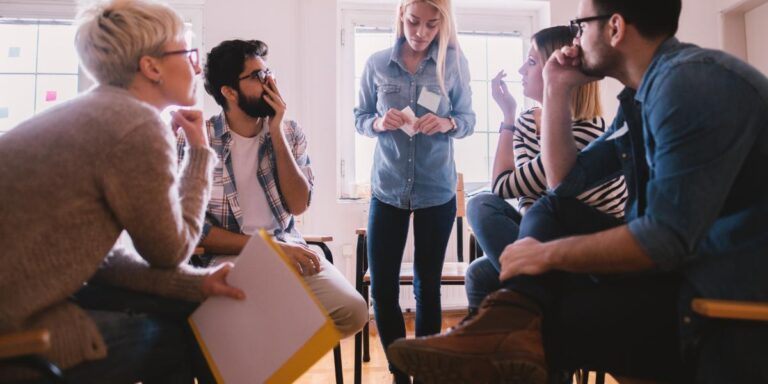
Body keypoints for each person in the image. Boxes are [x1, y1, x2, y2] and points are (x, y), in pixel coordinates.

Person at [387, 0, 768, 382]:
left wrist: (545, 255)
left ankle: (505, 328)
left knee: (541, 318)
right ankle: (508, 319)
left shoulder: (688, 86)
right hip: (679, 272)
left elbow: (665, 240)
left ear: (615, 28)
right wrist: (555, 88)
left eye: (580, 25)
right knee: (544, 222)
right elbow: (564, 181)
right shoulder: (643, 95)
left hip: (721, 287)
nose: (575, 37)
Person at [0, 1, 244, 383]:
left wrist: (197, 283)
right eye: (189, 52)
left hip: (22, 306)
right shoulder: (138, 125)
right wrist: (199, 154)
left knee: (182, 307)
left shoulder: (90, 112)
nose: (198, 66)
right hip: (15, 332)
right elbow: (170, 250)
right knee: (182, 335)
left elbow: (99, 260)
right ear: (151, 67)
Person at [176, 39, 367, 338]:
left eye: (268, 73)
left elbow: (299, 205)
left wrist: (276, 131)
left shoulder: (290, 132)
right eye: (256, 77)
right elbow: (195, 230)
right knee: (237, 323)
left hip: (288, 244)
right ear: (228, 92)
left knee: (352, 311)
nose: (269, 83)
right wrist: (271, 250)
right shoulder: (197, 139)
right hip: (229, 258)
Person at [464, 25, 627, 314]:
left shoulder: (586, 132)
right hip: (544, 229)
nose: (520, 70)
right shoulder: (528, 120)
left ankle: (532, 301)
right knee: (478, 263)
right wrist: (510, 116)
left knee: (484, 206)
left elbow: (505, 185)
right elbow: (518, 191)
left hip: (586, 249)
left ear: (556, 68)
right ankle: (499, 347)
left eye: (531, 62)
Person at [353, 0, 475, 381]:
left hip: (436, 192)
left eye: (431, 25)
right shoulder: (376, 64)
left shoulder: (453, 63)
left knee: (427, 288)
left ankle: (425, 373)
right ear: (400, 16)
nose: (421, 32)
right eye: (413, 22)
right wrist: (377, 123)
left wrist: (447, 123)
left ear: (443, 24)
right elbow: (359, 119)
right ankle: (399, 372)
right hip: (387, 190)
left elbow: (469, 120)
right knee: (383, 291)